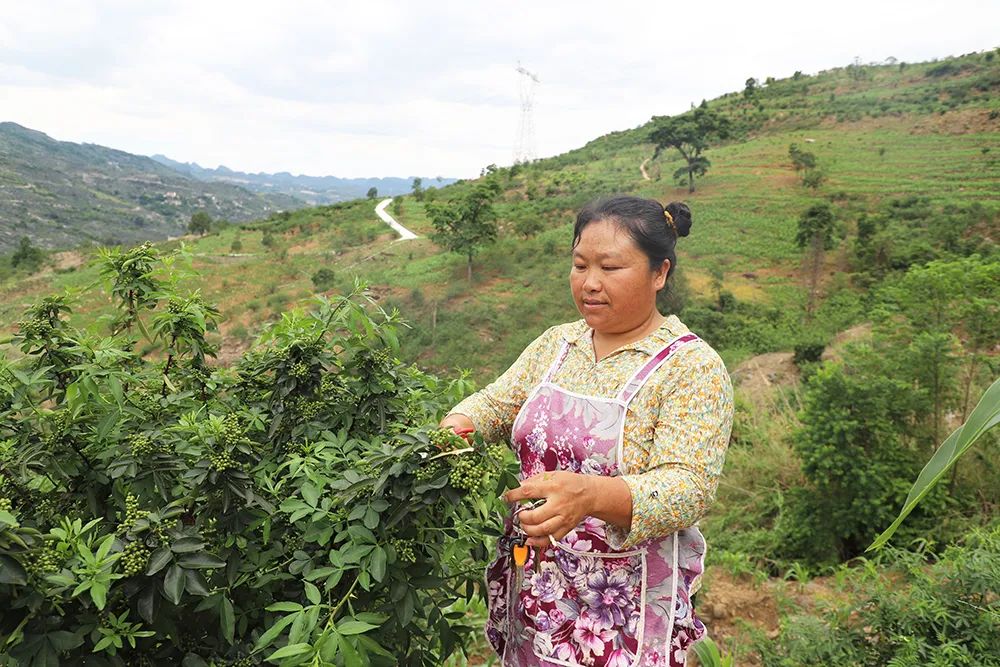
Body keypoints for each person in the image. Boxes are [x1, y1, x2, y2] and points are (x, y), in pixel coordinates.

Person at [440, 195, 734, 667]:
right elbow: (498, 403)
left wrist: (591, 495)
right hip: (532, 577)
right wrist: (458, 426)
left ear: (659, 273)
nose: (589, 283)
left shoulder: (690, 367)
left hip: (618, 605)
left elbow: (688, 488)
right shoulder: (559, 343)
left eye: (610, 268)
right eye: (580, 265)